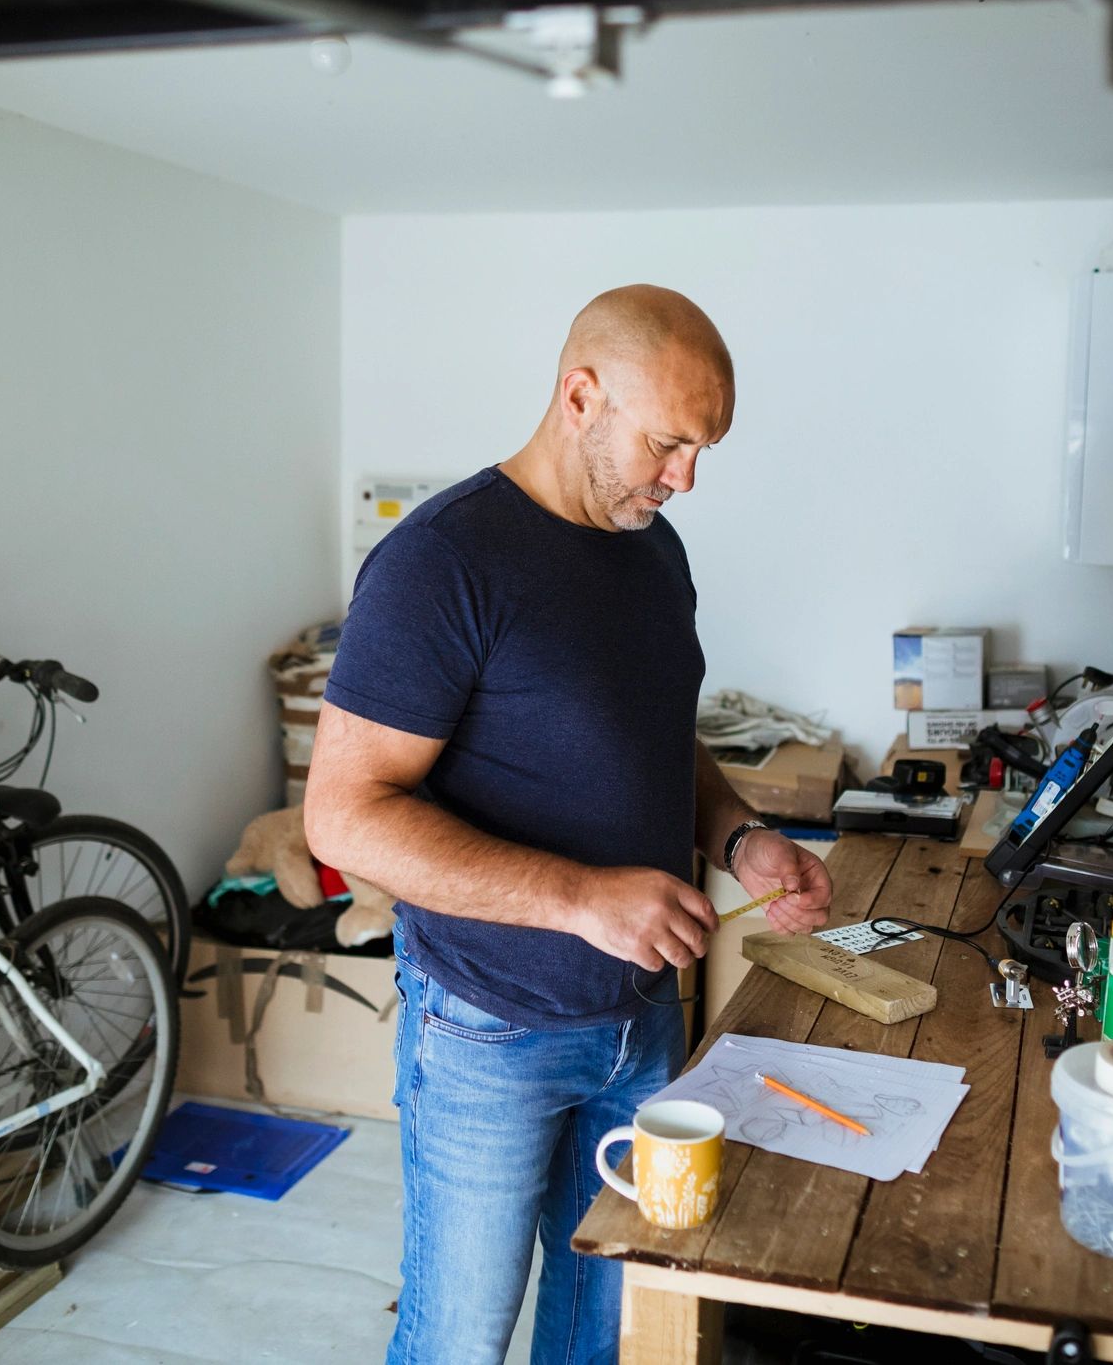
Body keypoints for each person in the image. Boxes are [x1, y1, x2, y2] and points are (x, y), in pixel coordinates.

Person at [304, 284, 834, 1365]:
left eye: (702, 451)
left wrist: (738, 835)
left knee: (605, 1331)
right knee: (459, 1337)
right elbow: (342, 817)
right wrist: (579, 897)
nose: (685, 477)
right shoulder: (441, 563)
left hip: (642, 1021)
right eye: (670, 442)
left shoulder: (654, 551)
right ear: (580, 395)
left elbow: (652, 738)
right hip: (486, 1030)